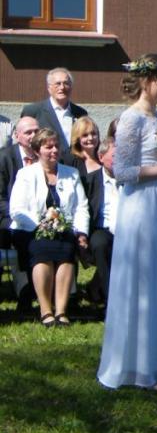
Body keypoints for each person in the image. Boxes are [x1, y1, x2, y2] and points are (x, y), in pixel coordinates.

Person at [97, 54, 157, 390]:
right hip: (142, 204)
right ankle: (136, 367)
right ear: (146, 80)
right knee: (144, 278)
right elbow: (122, 171)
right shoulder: (131, 118)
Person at [10, 128, 89, 327]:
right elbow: (16, 210)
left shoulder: (71, 174)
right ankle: (46, 311)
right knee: (42, 248)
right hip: (30, 229)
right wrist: (41, 225)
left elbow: (81, 207)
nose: (54, 150)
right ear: (38, 150)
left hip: (63, 229)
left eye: (56, 146)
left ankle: (61, 311)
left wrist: (81, 232)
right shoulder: (25, 174)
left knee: (67, 249)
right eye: (48, 147)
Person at [0, 116, 41, 308]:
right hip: (9, 217)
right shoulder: (4, 158)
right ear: (17, 136)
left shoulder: (47, 155)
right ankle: (25, 295)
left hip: (42, 217)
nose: (33, 135)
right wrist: (18, 217)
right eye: (28, 132)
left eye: (36, 131)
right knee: (21, 236)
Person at [21, 68, 87, 166]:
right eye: (58, 84)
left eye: (66, 83)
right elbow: (23, 141)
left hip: (75, 169)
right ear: (49, 87)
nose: (62, 87)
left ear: (71, 87)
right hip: (43, 167)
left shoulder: (80, 113)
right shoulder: (33, 111)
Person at [81, 137, 119, 305]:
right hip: (102, 228)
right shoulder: (90, 181)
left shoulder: (132, 180)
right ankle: (111, 299)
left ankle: (95, 287)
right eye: (115, 156)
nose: (120, 160)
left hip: (129, 229)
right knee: (100, 245)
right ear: (101, 157)